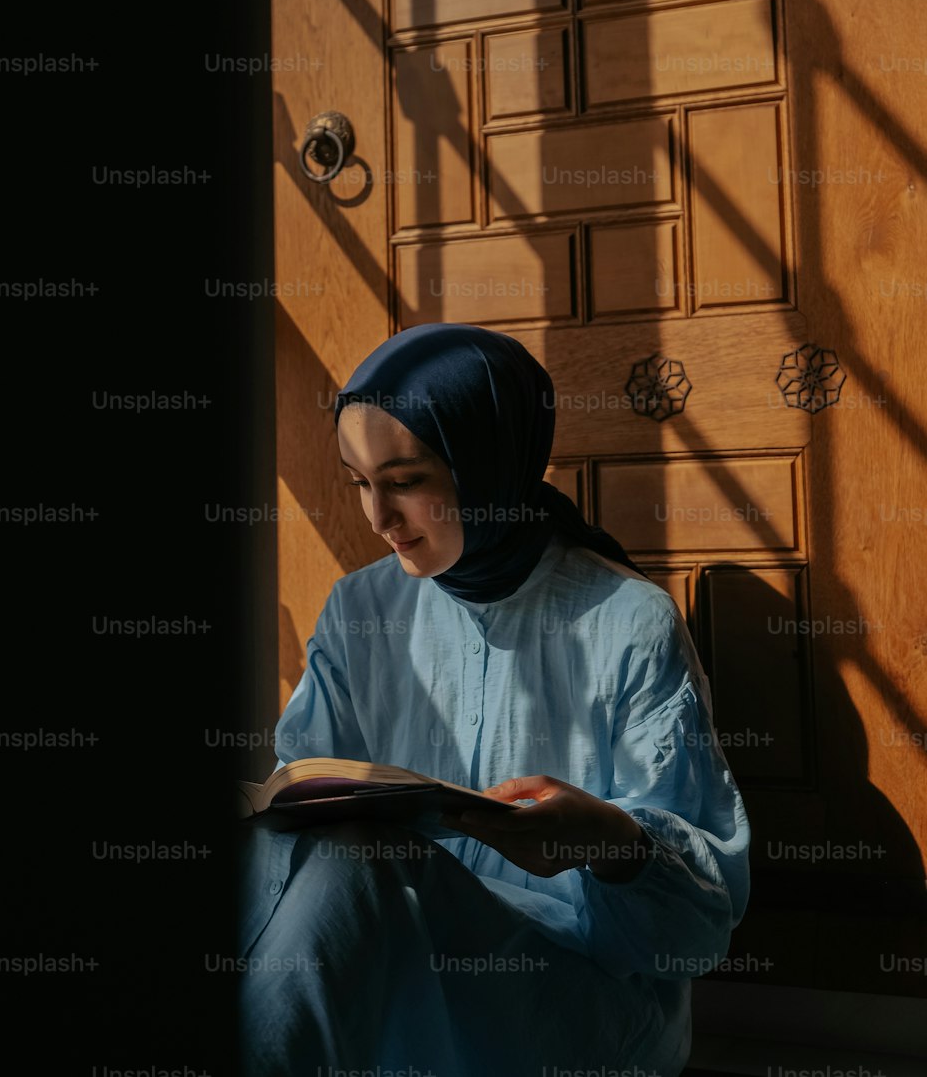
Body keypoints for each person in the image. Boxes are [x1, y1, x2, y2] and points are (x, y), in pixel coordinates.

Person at [237, 323, 750, 1076]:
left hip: (581, 1003)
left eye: (406, 480)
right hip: (388, 981)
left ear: (488, 466)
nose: (377, 518)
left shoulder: (627, 623)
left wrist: (608, 843)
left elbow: (697, 935)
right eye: (359, 481)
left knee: (358, 862)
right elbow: (296, 823)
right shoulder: (358, 612)